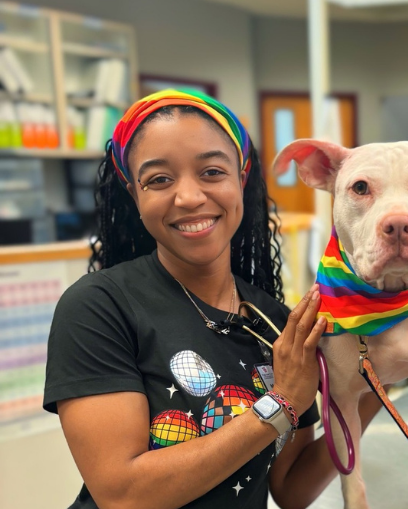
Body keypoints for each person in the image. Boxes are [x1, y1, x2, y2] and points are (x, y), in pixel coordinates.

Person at [43, 89, 380, 509]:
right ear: (135, 195)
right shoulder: (98, 307)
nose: (188, 197)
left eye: (212, 172)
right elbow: (123, 494)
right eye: (159, 179)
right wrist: (281, 404)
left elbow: (291, 489)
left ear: (240, 179)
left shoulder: (272, 320)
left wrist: (372, 388)